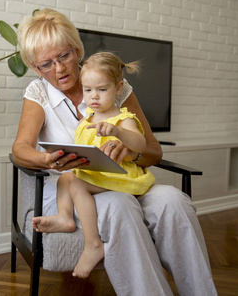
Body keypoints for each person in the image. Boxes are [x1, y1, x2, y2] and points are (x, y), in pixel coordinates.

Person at [12, 8, 217, 296]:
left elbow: (153, 152)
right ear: (36, 68)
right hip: (76, 189)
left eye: (64, 56)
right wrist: (45, 159)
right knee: (119, 205)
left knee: (173, 200)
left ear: (77, 50)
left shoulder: (113, 84)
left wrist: (130, 153)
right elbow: (20, 149)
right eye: (47, 63)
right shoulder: (39, 93)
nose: (58, 69)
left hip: (125, 179)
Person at [32, 52, 156, 278]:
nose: (94, 96)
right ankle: (65, 217)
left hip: (120, 176)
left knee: (78, 185)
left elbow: (140, 144)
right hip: (99, 172)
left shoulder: (122, 118)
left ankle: (93, 244)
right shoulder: (87, 119)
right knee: (65, 178)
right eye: (88, 90)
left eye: (102, 89)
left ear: (118, 89)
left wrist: (118, 132)